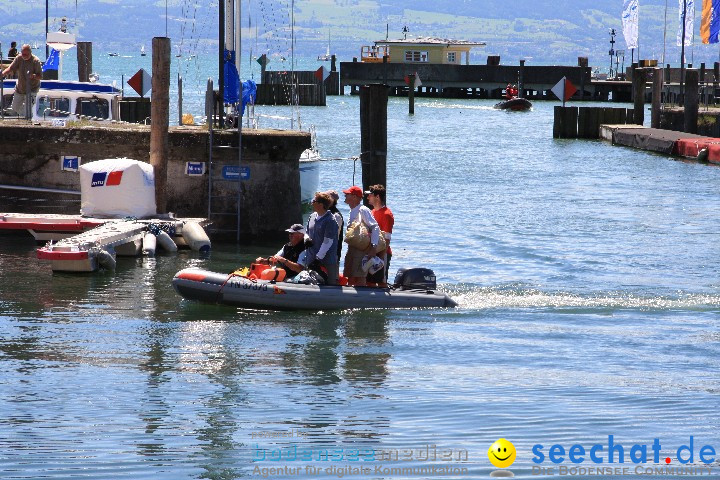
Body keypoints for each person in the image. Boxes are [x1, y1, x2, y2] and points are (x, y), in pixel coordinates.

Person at [342, 185, 380, 287]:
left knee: (360, 276)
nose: (345, 195)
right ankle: (350, 299)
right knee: (350, 274)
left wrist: (373, 247)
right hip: (352, 247)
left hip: (361, 249)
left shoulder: (363, 209)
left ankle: (360, 298)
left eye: (347, 194)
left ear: (354, 197)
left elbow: (375, 227)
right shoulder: (352, 210)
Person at [306, 192, 340, 285]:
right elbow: (306, 232)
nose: (311, 203)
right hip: (311, 259)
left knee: (330, 284)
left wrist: (318, 259)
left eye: (314, 201)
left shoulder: (330, 220)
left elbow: (327, 242)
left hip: (327, 261)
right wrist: (307, 239)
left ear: (320, 205)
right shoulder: (312, 216)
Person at [1, 44, 43, 117]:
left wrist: (34, 76)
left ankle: (27, 119)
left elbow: (40, 76)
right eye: (23, 54)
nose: (24, 56)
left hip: (32, 89)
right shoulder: (19, 58)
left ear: (30, 53)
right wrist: (3, 73)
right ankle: (23, 116)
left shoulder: (36, 61)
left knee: (27, 110)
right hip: (20, 88)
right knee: (15, 107)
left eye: (26, 54)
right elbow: (11, 68)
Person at [365, 184, 394, 288]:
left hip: (383, 254)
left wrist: (381, 257)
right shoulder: (372, 212)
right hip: (371, 253)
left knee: (382, 282)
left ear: (377, 197)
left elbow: (387, 237)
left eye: (370, 195)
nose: (368, 197)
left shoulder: (387, 214)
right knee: (369, 282)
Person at [325, 190, 344, 260]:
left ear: (331, 201)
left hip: (332, 254)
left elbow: (333, 236)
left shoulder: (336, 215)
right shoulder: (327, 213)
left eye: (326, 198)